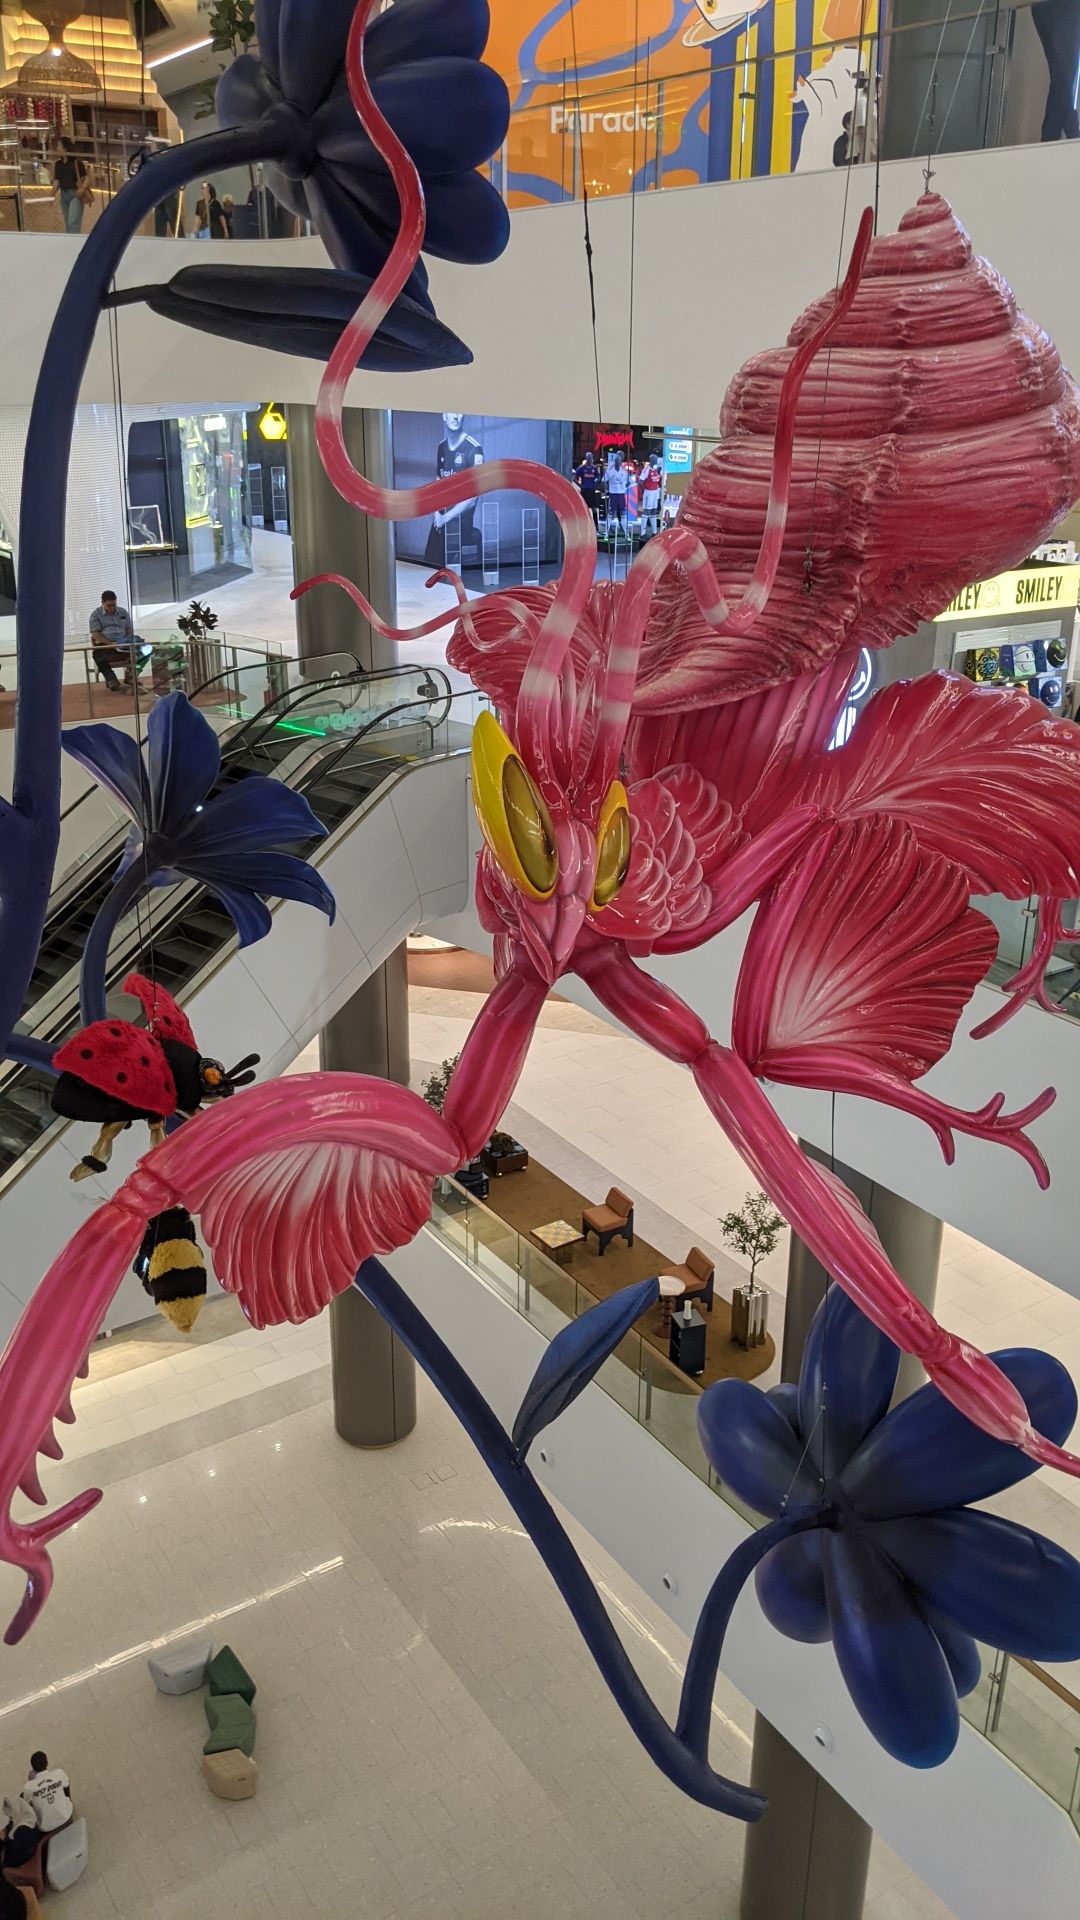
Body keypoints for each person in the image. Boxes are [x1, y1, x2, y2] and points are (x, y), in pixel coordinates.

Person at [424, 413, 484, 568]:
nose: (456, 417)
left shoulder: (474, 449)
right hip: (443, 517)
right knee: (429, 561)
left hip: (459, 520)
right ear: (444, 416)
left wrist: (445, 518)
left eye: (459, 413)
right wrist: (437, 513)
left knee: (443, 564)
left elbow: (472, 499)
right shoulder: (441, 447)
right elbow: (438, 485)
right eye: (451, 413)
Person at [1031, 0, 1080, 139]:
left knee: (1061, 74)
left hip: (1040, 7)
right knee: (1063, 74)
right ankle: (1055, 135)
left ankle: (1066, 132)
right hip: (1065, 6)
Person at [88, 590, 145, 692]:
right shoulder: (95, 615)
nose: (112, 608)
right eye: (109, 606)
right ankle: (111, 678)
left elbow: (129, 629)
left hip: (123, 641)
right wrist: (110, 644)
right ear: (102, 603)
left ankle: (131, 675)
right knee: (98, 655)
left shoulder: (122, 612)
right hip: (105, 643)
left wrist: (128, 640)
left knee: (144, 649)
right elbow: (95, 634)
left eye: (114, 605)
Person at [24, 1754, 71, 1836]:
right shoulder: (59, 1773)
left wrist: (31, 1782)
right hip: (66, 1815)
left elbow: (27, 1805)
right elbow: (66, 1786)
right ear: (47, 1763)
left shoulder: (29, 1786)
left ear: (33, 1768)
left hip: (46, 1827)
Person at [53, 137, 88, 235]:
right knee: (68, 223)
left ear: (65, 148)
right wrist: (52, 192)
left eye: (59, 145)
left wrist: (82, 188)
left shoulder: (76, 163)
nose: (57, 148)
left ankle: (75, 244)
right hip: (63, 194)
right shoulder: (58, 164)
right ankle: (71, 242)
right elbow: (57, 180)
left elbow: (86, 178)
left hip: (75, 194)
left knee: (73, 222)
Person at [604, 452, 629, 534]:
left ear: (621, 462)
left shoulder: (625, 471)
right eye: (616, 461)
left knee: (623, 513)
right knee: (611, 513)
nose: (618, 462)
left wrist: (627, 484)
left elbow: (628, 482)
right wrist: (607, 489)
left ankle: (626, 533)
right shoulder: (610, 470)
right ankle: (606, 533)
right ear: (614, 462)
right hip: (613, 494)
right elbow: (603, 481)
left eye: (619, 461)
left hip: (621, 495)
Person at [640, 454, 663, 537]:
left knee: (653, 511)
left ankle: (654, 532)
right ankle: (642, 533)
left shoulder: (655, 470)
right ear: (651, 460)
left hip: (655, 493)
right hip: (648, 493)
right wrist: (645, 490)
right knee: (646, 511)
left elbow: (658, 481)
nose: (656, 461)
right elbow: (641, 481)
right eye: (655, 459)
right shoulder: (647, 470)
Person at [574, 450, 600, 521]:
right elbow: (575, 478)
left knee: (594, 508)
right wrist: (580, 485)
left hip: (592, 490)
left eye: (590, 458)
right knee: (583, 508)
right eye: (588, 458)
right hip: (584, 490)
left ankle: (595, 526)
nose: (589, 459)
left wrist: (595, 483)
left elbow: (598, 477)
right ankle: (583, 522)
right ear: (586, 458)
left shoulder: (594, 468)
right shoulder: (581, 468)